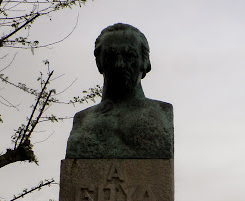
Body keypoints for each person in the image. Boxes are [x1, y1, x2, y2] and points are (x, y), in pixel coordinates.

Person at [66, 23, 173, 159]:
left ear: (145, 62)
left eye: (129, 55)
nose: (119, 64)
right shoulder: (82, 120)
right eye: (111, 56)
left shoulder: (163, 113)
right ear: (99, 62)